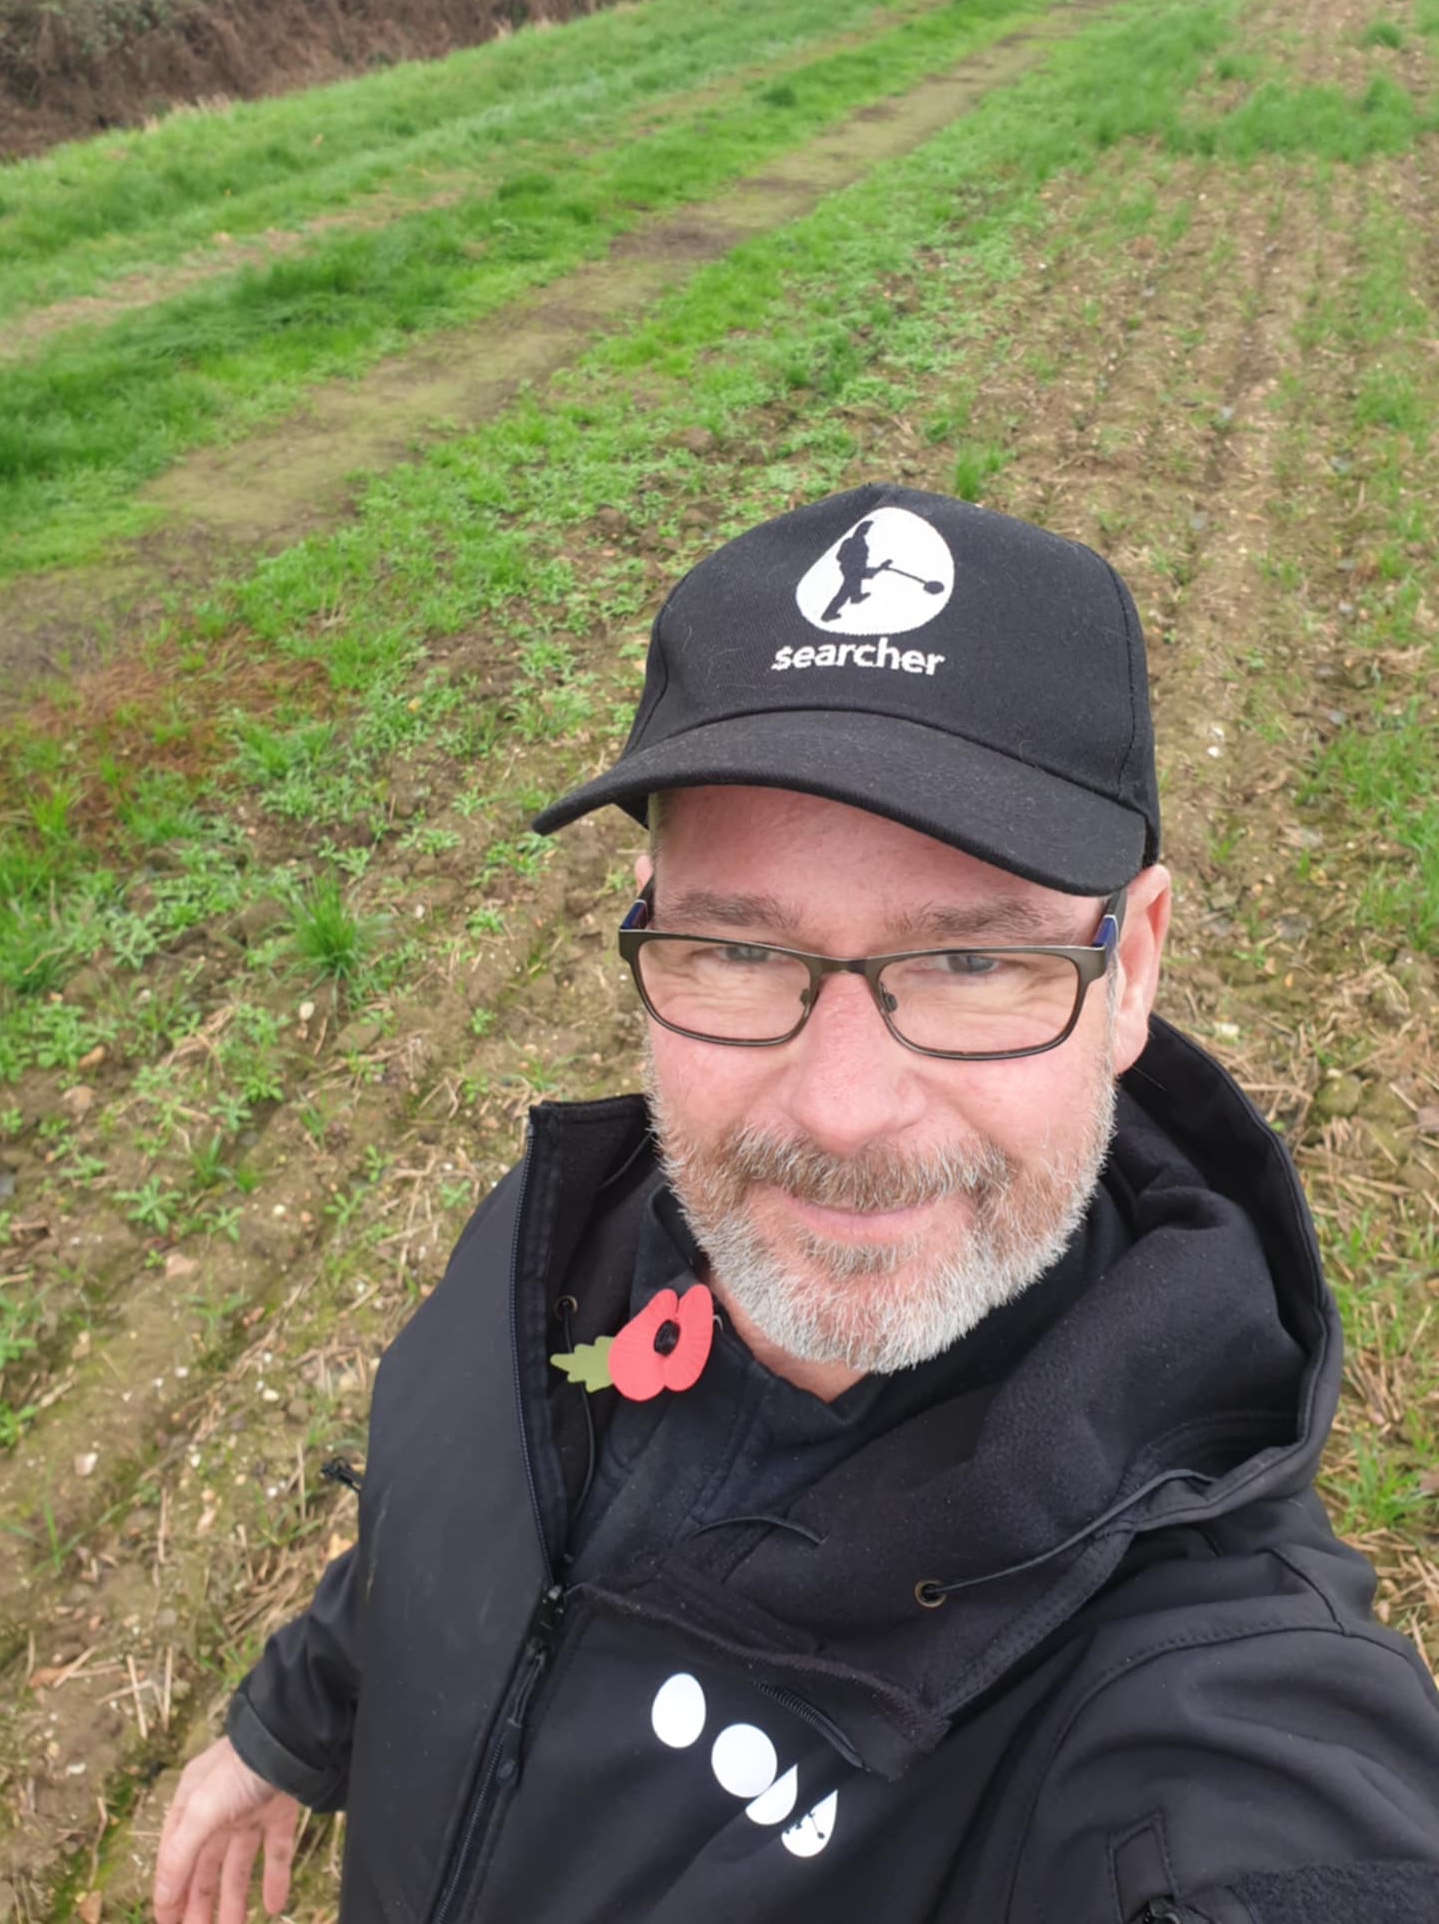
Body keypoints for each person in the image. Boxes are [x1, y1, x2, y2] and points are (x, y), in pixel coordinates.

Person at [153, 486, 1439, 1924]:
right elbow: (457, 1516)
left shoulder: (1193, 1712)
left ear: (1128, 968)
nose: (839, 1109)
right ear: (647, 919)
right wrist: (291, 1726)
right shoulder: (558, 1244)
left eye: (969, 966)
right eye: (739, 951)